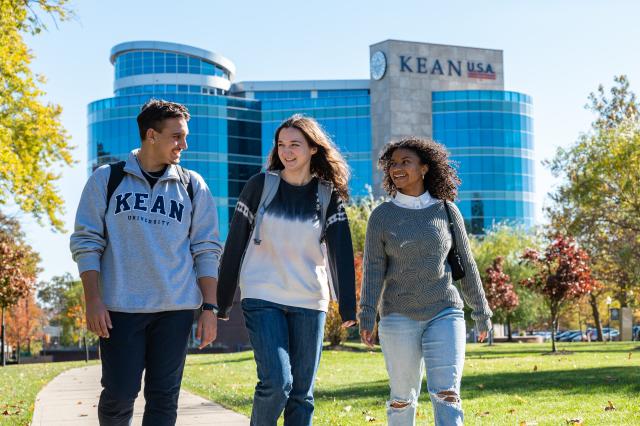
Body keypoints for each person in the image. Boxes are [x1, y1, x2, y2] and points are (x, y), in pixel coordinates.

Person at [70, 99, 222, 426]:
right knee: (119, 395)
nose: (184, 144)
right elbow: (86, 242)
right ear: (151, 135)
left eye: (184, 136)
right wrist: (93, 300)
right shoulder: (106, 179)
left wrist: (209, 308)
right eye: (176, 136)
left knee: (164, 398)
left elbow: (206, 249)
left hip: (175, 309)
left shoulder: (193, 186)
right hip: (120, 309)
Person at [217, 114, 356, 426]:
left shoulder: (326, 195)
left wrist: (348, 304)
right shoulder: (260, 186)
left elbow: (341, 251)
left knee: (302, 394)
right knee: (277, 384)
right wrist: (222, 300)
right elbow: (235, 242)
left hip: (309, 300)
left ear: (313, 150)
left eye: (295, 144)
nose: (287, 151)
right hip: (262, 295)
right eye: (282, 145)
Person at [358, 137, 492, 426]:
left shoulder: (446, 210)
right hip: (397, 315)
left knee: (447, 393)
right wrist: (366, 314)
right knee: (402, 397)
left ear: (424, 168)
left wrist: (482, 313)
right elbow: (372, 270)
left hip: (444, 311)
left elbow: (466, 266)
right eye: (393, 164)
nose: (397, 168)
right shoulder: (381, 216)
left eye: (405, 162)